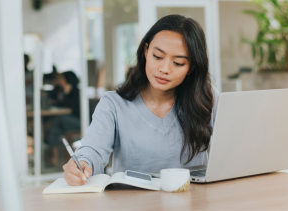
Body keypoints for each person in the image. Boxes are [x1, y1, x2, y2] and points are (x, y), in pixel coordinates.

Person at [63, 14, 219, 185]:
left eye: (178, 63)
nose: (164, 69)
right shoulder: (113, 104)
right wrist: (82, 163)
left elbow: (235, 148)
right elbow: (93, 149)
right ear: (146, 51)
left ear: (191, 68)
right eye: (158, 57)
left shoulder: (206, 98)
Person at [46, 71, 81, 166]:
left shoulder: (77, 92)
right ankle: (54, 160)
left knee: (59, 119)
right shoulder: (60, 90)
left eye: (61, 78)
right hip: (66, 121)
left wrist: (66, 94)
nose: (59, 81)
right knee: (54, 129)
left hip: (79, 121)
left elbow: (72, 109)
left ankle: (47, 124)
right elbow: (61, 106)